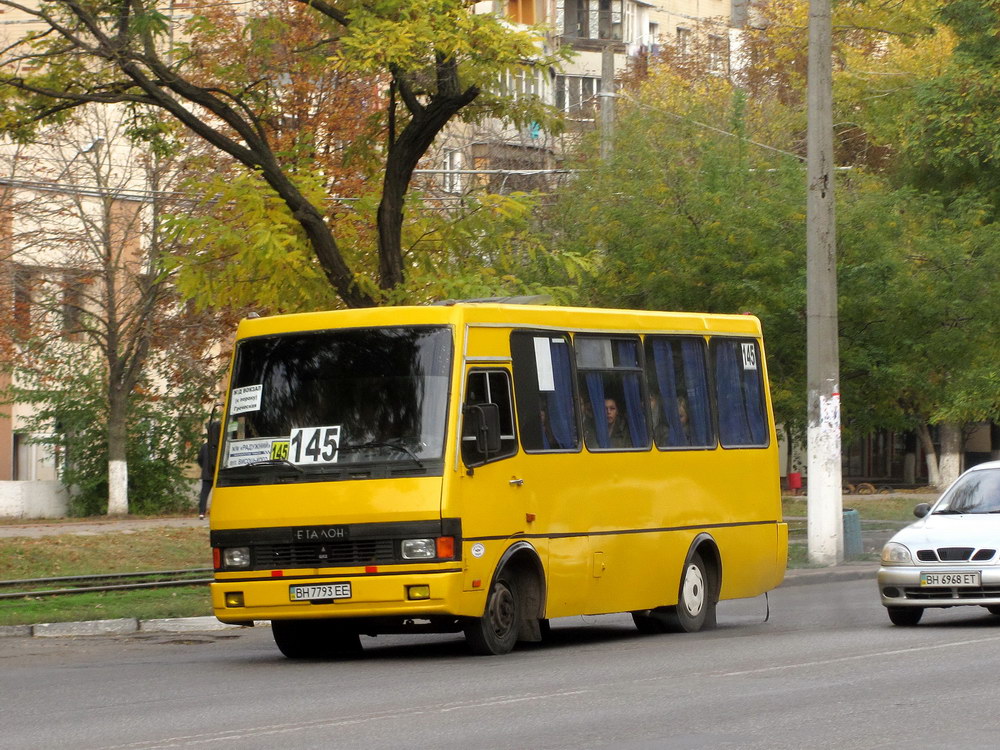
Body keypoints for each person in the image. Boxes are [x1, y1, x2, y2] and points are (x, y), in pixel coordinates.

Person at [196, 420, 220, 520]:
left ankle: (201, 513)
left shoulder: (205, 446)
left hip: (206, 473)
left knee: (204, 494)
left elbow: (199, 459)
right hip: (217, 474)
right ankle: (217, 511)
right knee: (218, 494)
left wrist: (204, 468)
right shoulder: (220, 447)